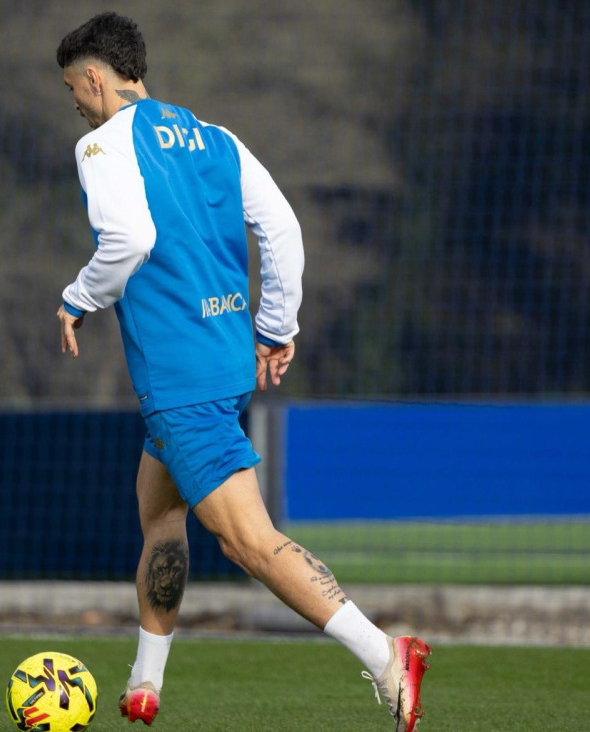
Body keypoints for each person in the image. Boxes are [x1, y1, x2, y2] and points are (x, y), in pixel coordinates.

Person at [53, 12, 431, 732]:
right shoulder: (215, 138)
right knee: (159, 510)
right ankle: (144, 682)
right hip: (225, 354)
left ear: (95, 78)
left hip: (180, 376)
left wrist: (78, 297)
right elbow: (282, 229)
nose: (73, 100)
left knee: (248, 541)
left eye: (73, 86)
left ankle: (388, 653)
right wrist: (276, 327)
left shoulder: (100, 144)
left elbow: (129, 237)